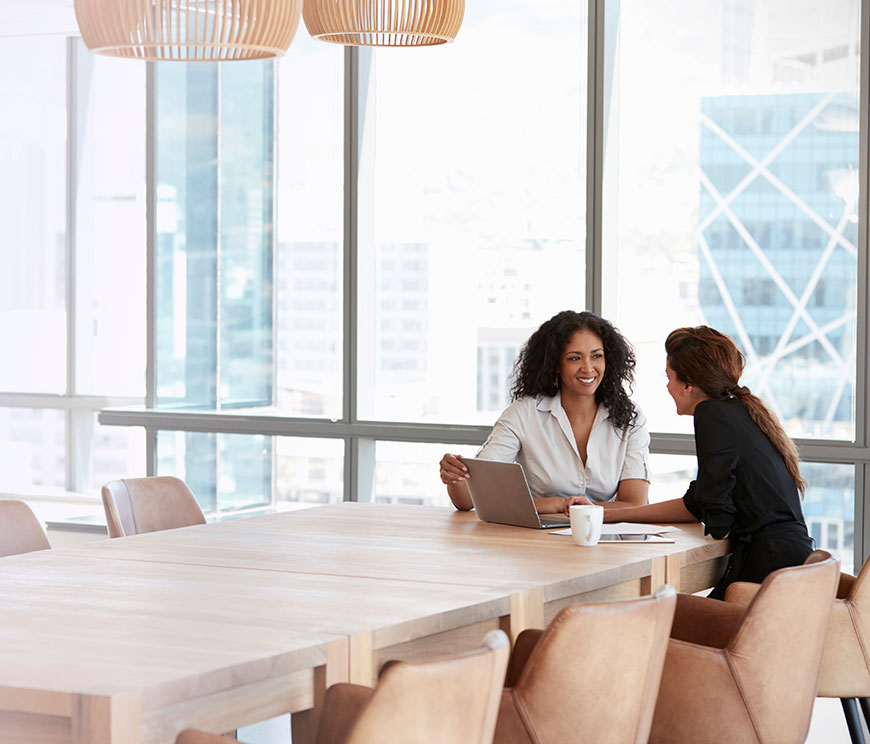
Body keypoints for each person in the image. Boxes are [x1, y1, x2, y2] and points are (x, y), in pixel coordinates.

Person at [597, 325, 813, 599]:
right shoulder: (740, 410)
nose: (667, 386)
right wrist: (609, 514)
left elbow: (717, 517)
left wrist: (712, 510)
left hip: (767, 569)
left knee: (660, 614)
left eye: (669, 378)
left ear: (688, 385)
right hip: (788, 562)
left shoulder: (711, 413)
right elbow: (699, 503)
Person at [439, 310, 650, 514]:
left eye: (596, 356)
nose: (587, 368)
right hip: (537, 541)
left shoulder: (630, 418)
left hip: (606, 540)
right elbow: (468, 499)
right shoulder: (524, 413)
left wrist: (564, 507)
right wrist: (454, 475)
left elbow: (635, 504)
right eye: (575, 358)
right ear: (556, 364)